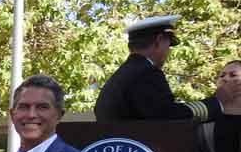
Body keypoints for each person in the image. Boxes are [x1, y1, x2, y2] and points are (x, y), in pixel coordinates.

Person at [94, 15, 225, 122]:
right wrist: (218, 103)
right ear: (159, 40)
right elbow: (167, 116)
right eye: (168, 45)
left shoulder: (124, 73)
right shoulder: (147, 73)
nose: (168, 52)